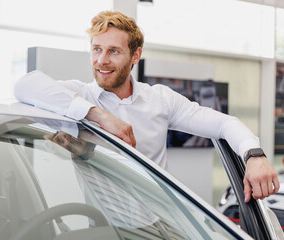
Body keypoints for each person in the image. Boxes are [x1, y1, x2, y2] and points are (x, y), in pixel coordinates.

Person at [14, 10, 280, 203]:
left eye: (114, 51)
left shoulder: (160, 99)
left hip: (163, 220)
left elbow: (224, 123)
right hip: (105, 226)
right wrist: (99, 115)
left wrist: (254, 155)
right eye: (96, 49)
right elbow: (25, 86)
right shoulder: (81, 95)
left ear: (135, 56)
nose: (102, 61)